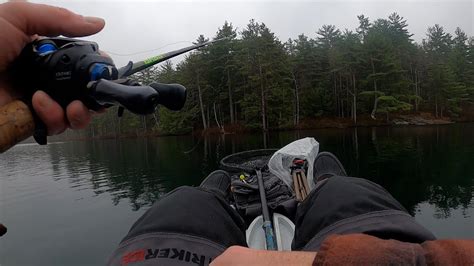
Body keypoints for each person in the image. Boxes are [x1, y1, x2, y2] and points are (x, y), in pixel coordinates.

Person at [1, 2, 473, 265]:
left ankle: (219, 194)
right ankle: (317, 187)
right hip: (373, 242)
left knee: (189, 200)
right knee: (338, 183)